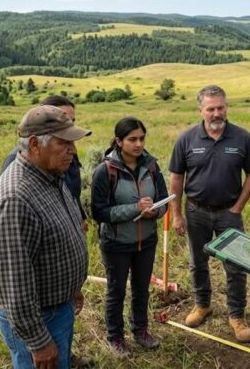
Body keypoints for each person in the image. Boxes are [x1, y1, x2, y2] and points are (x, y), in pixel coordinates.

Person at [0, 105, 92, 369]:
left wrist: (71, 289)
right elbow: (14, 282)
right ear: (35, 144)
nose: (73, 151)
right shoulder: (15, 199)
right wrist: (38, 341)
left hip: (58, 307)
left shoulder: (51, 177)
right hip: (39, 319)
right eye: (64, 143)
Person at [169, 85, 250, 343]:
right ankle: (202, 304)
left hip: (229, 213)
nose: (217, 113)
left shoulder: (242, 137)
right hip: (196, 211)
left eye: (221, 107)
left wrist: (238, 207)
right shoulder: (186, 139)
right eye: (211, 109)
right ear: (201, 110)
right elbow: (176, 178)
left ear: (226, 107)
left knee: (236, 265)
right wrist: (177, 215)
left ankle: (237, 315)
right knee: (198, 262)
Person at [91, 117, 169, 356]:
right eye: (132, 139)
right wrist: (134, 209)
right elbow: (99, 212)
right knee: (116, 292)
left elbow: (164, 200)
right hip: (116, 244)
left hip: (146, 242)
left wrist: (156, 211)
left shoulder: (152, 166)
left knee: (141, 289)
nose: (138, 144)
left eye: (142, 138)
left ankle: (140, 330)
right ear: (118, 141)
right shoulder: (105, 171)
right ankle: (115, 337)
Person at [0, 95, 88, 232]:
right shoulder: (12, 198)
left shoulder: (59, 160)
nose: (73, 149)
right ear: (35, 145)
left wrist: (79, 216)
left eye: (72, 121)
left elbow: (71, 193)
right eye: (62, 140)